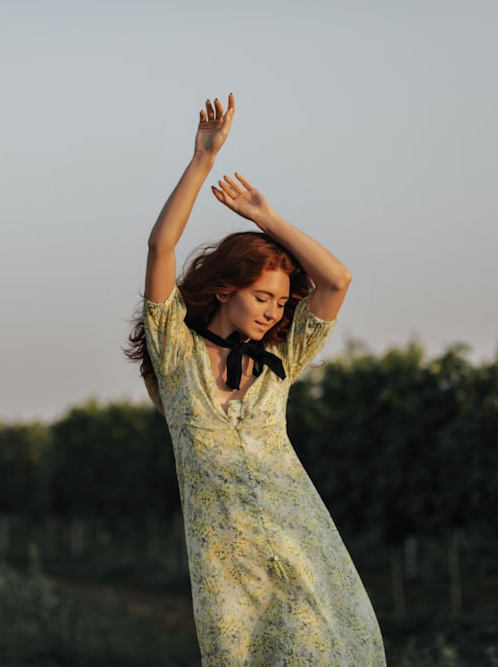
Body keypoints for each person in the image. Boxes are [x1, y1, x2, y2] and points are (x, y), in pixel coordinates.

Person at [126, 94, 386, 666]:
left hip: (300, 545)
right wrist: (202, 161)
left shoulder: (282, 358)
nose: (273, 311)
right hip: (227, 573)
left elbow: (337, 280)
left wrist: (266, 219)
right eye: (261, 296)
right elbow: (160, 246)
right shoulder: (177, 352)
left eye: (281, 301)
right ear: (225, 287)